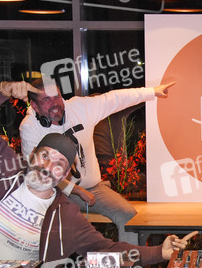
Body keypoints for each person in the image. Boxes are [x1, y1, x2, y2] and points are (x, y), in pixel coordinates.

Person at [0, 81, 194, 264]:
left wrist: (158, 252)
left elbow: (106, 250)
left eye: (59, 164)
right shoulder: (5, 169)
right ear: (32, 154)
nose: (48, 167)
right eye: (45, 156)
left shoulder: (65, 217)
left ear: (65, 173)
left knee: (126, 213)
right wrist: (2, 90)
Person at [19, 78, 175, 244]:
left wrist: (152, 92)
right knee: (57, 225)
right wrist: (76, 190)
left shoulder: (80, 108)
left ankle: (129, 259)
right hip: (54, 192)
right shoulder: (29, 127)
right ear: (34, 105)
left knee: (128, 216)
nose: (55, 103)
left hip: (93, 188)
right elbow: (39, 173)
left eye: (56, 96)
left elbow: (114, 99)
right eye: (46, 99)